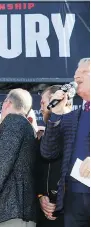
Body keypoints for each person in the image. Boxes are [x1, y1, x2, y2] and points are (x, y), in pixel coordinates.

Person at [40, 58, 90, 227]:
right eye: (76, 74)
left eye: (84, 72)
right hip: (73, 198)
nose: (77, 76)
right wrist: (56, 114)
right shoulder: (72, 117)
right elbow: (48, 152)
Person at [0, 88, 38, 227]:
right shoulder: (24, 125)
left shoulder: (13, 122)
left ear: (7, 103)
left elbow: (4, 160)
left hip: (11, 209)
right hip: (14, 209)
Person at [36, 85, 73, 227]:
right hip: (45, 215)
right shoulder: (41, 137)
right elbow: (38, 173)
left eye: (43, 103)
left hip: (73, 212)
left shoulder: (79, 130)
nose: (40, 108)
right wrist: (40, 197)